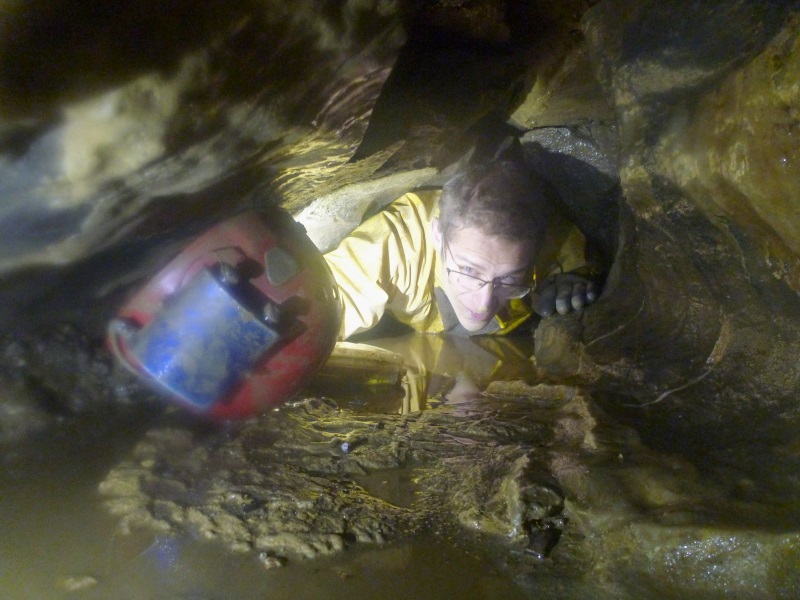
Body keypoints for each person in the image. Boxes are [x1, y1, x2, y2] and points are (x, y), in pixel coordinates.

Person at [323, 159, 599, 343]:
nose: (483, 303)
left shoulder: (553, 238)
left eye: (508, 279)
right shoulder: (395, 244)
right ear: (437, 235)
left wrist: (573, 276)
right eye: (468, 270)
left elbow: (585, 259)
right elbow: (326, 304)